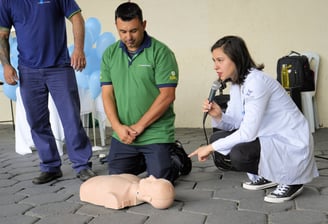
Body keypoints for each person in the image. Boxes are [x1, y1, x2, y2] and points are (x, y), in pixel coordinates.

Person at [189, 35, 319, 203]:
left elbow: (247, 133)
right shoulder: (237, 84)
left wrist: (209, 148)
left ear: (236, 58)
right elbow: (238, 123)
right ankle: (269, 175)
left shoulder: (257, 82)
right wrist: (219, 116)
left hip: (289, 141)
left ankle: (293, 180)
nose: (215, 66)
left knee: (238, 153)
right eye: (214, 60)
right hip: (267, 136)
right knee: (218, 138)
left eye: (220, 60)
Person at [0, 0, 96, 184]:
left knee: (71, 119)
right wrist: (6, 65)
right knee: (37, 122)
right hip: (28, 70)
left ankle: (82, 165)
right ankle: (50, 166)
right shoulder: (7, 2)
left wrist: (78, 50)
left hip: (59, 67)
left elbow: (77, 18)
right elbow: (2, 35)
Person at [100, 2, 191, 184]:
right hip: (124, 134)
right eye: (122, 32)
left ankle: (175, 159)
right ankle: (145, 160)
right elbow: (107, 94)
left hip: (155, 132)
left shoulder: (161, 52)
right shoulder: (110, 54)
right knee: (117, 181)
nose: (128, 37)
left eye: (133, 30)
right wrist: (117, 127)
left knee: (158, 182)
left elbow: (167, 95)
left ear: (144, 24)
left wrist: (140, 126)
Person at [80, 174, 175, 209]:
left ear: (148, 198)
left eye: (152, 182)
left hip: (88, 187)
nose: (151, 177)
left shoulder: (117, 197)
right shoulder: (135, 178)